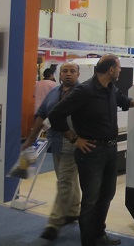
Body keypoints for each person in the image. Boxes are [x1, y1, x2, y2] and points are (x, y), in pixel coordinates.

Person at [48, 54, 134, 246]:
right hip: (91, 152)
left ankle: (99, 235)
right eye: (118, 68)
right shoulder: (84, 90)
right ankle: (89, 241)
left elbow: (120, 99)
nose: (120, 71)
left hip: (109, 150)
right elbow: (56, 115)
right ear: (111, 70)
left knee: (106, 195)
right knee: (91, 199)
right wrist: (74, 139)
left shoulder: (110, 88)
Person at [21, 62, 81, 240]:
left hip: (74, 143)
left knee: (64, 181)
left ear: (78, 74)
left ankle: (54, 223)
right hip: (56, 142)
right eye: (64, 71)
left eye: (72, 71)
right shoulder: (54, 92)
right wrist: (31, 139)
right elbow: (41, 115)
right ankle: (73, 210)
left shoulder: (83, 93)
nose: (68, 74)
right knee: (67, 179)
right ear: (59, 74)